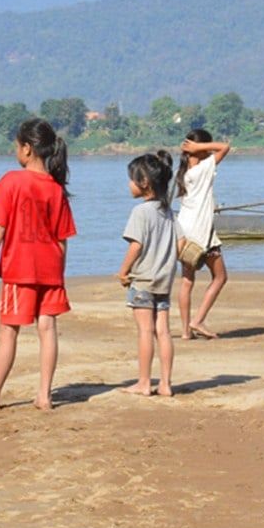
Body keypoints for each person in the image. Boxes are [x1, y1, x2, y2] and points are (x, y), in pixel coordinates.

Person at [0, 118, 78, 415]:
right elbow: (63, 238)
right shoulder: (55, 188)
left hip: (20, 268)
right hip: (51, 269)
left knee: (8, 332)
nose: (16, 151)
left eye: (17, 146)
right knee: (47, 328)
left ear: (27, 148)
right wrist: (59, 274)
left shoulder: (11, 180)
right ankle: (44, 395)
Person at [116, 150, 179, 396]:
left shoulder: (140, 212)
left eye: (131, 179)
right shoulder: (169, 213)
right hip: (164, 283)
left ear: (144, 183)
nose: (129, 184)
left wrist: (123, 271)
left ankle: (144, 382)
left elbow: (136, 245)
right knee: (162, 331)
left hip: (143, 281)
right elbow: (181, 243)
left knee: (145, 331)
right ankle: (165, 383)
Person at [173, 127, 232, 340]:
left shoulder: (185, 174)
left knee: (187, 281)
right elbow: (225, 147)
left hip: (183, 233)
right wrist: (200, 147)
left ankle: (185, 331)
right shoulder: (203, 169)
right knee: (220, 277)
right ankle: (197, 320)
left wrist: (195, 148)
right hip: (201, 235)